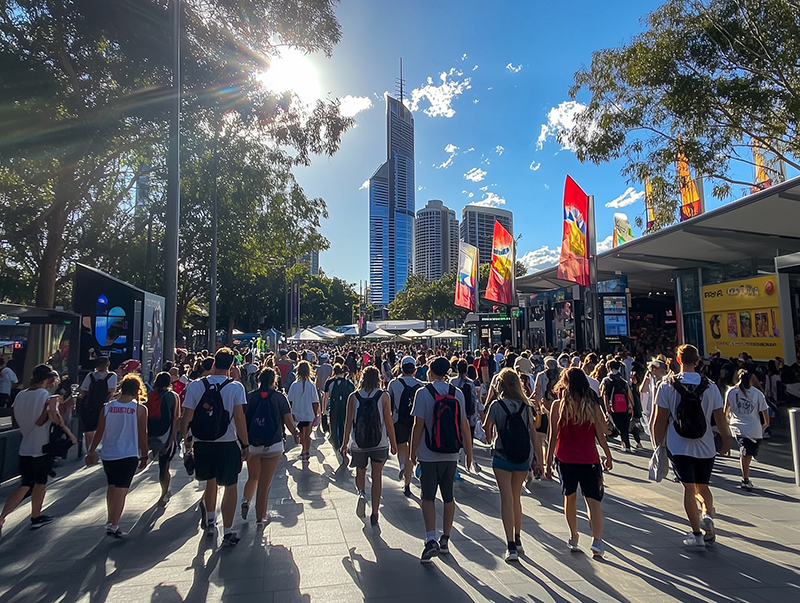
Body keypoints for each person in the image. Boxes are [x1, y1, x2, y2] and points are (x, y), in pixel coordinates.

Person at [653, 344, 731, 548]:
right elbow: (719, 417)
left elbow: (659, 419)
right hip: (705, 445)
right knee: (703, 486)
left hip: (678, 445)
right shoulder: (711, 386)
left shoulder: (667, 386)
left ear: (678, 360)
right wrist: (726, 439)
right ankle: (707, 514)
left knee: (688, 488)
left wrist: (658, 443)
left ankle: (696, 534)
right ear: (698, 361)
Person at [181, 348, 249, 546]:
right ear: (231, 366)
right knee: (230, 485)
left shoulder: (195, 386)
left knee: (210, 482)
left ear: (212, 364)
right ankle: (228, 530)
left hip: (202, 442)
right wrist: (245, 444)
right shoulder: (236, 388)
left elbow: (187, 415)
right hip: (227, 442)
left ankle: (210, 519)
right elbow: (239, 418)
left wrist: (187, 440)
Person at [545, 367, 613, 558]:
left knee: (570, 498)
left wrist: (548, 462)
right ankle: (597, 541)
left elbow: (552, 436)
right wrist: (608, 455)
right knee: (593, 501)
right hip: (589, 458)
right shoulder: (592, 405)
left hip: (565, 458)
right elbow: (601, 433)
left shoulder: (558, 406)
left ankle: (574, 536)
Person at [0, 364, 75, 538]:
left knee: (29, 482)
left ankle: (32, 515)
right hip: (41, 445)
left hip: (25, 444)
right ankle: (33, 515)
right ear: (47, 379)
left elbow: (16, 420)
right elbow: (45, 420)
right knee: (35, 483)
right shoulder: (44, 396)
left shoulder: (20, 395)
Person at [410, 357, 473, 563]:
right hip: (451, 452)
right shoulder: (457, 393)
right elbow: (464, 424)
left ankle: (430, 538)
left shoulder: (423, 393)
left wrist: (413, 452)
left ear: (430, 371)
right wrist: (469, 452)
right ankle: (446, 537)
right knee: (448, 496)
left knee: (427, 496)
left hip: (428, 453)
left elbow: (418, 425)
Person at [483, 369, 539, 562]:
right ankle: (518, 537)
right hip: (523, 456)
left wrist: (491, 440)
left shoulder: (496, 406)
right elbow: (532, 433)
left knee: (506, 499)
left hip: (501, 454)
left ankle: (510, 546)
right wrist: (538, 459)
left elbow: (486, 428)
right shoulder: (526, 406)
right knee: (516, 498)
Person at [85, 374, 148, 538]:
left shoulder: (107, 407)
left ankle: (110, 519)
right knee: (122, 490)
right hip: (129, 453)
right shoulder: (139, 409)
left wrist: (91, 451)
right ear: (137, 390)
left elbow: (99, 431)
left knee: (111, 487)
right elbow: (142, 434)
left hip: (109, 453)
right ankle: (114, 524)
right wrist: (144, 454)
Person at [340, 366, 396, 527]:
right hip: (380, 442)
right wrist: (393, 443)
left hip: (359, 442)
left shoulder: (353, 396)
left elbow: (348, 422)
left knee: (360, 471)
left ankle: (361, 494)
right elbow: (388, 422)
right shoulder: (384, 396)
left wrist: (344, 444)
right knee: (377, 475)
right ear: (378, 379)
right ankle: (375, 512)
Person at [242, 368, 299, 525]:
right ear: (274, 380)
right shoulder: (280, 397)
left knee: (253, 477)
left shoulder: (250, 396)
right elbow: (288, 420)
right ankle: (260, 518)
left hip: (252, 444)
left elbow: (243, 420)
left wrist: (243, 442)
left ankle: (246, 500)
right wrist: (295, 433)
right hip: (273, 444)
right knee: (264, 484)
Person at [725, 369, 769, 491]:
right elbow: (764, 409)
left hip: (738, 426)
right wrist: (766, 423)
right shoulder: (757, 393)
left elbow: (726, 410)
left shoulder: (731, 392)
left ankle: (746, 476)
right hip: (754, 428)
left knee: (747, 453)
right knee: (747, 453)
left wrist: (726, 423)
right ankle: (745, 478)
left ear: (738, 378)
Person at [388, 357, 423, 495]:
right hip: (415, 422)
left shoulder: (393, 383)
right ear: (414, 370)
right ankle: (408, 482)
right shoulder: (420, 385)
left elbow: (389, 404)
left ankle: (402, 465)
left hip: (399, 420)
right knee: (412, 452)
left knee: (402, 449)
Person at [146, 372, 181, 507]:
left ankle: (164, 491)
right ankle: (164, 492)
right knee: (165, 465)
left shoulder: (151, 396)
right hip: (166, 434)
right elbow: (176, 418)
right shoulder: (173, 396)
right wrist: (173, 437)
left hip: (152, 433)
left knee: (161, 465)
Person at [78, 357, 118, 452]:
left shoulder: (90, 375)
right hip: (104, 407)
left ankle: (89, 450)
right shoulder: (112, 376)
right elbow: (112, 392)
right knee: (103, 428)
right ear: (107, 365)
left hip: (89, 406)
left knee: (89, 430)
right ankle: (101, 450)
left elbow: (84, 391)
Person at [323, 364, 355, 468]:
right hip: (345, 409)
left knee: (333, 428)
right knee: (343, 428)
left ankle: (336, 446)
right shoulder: (348, 383)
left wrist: (324, 410)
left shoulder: (329, 382)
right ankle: (343, 447)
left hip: (333, 409)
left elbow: (326, 396)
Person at [599, 360, 635, 452]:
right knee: (625, 427)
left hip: (613, 407)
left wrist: (607, 409)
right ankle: (626, 444)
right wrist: (631, 406)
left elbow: (604, 395)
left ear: (609, 367)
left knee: (617, 425)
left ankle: (623, 444)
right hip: (625, 406)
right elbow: (629, 394)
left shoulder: (606, 380)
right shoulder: (623, 380)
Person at [287, 361, 318, 461]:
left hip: (297, 414)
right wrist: (315, 414)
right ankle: (306, 451)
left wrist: (290, 414)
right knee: (307, 435)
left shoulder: (294, 386)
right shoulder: (311, 386)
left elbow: (290, 401)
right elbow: (315, 402)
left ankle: (303, 450)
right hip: (309, 414)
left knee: (301, 434)